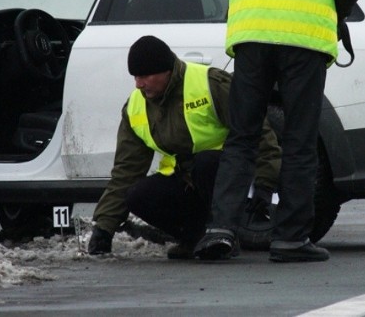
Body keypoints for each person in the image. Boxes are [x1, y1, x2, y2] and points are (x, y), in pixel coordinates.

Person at [194, 0, 361, 263]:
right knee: (300, 141)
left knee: (241, 138)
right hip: (302, 44)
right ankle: (289, 239)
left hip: (251, 42)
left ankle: (221, 229)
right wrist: (336, 18)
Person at [88, 35, 280, 259]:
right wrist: (104, 228)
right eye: (135, 77)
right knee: (138, 196)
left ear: (167, 70)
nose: (138, 84)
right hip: (188, 180)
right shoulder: (135, 107)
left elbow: (258, 132)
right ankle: (196, 238)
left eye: (145, 76)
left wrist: (266, 183)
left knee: (206, 161)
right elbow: (126, 172)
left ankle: (224, 232)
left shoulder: (210, 84)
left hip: (232, 178)